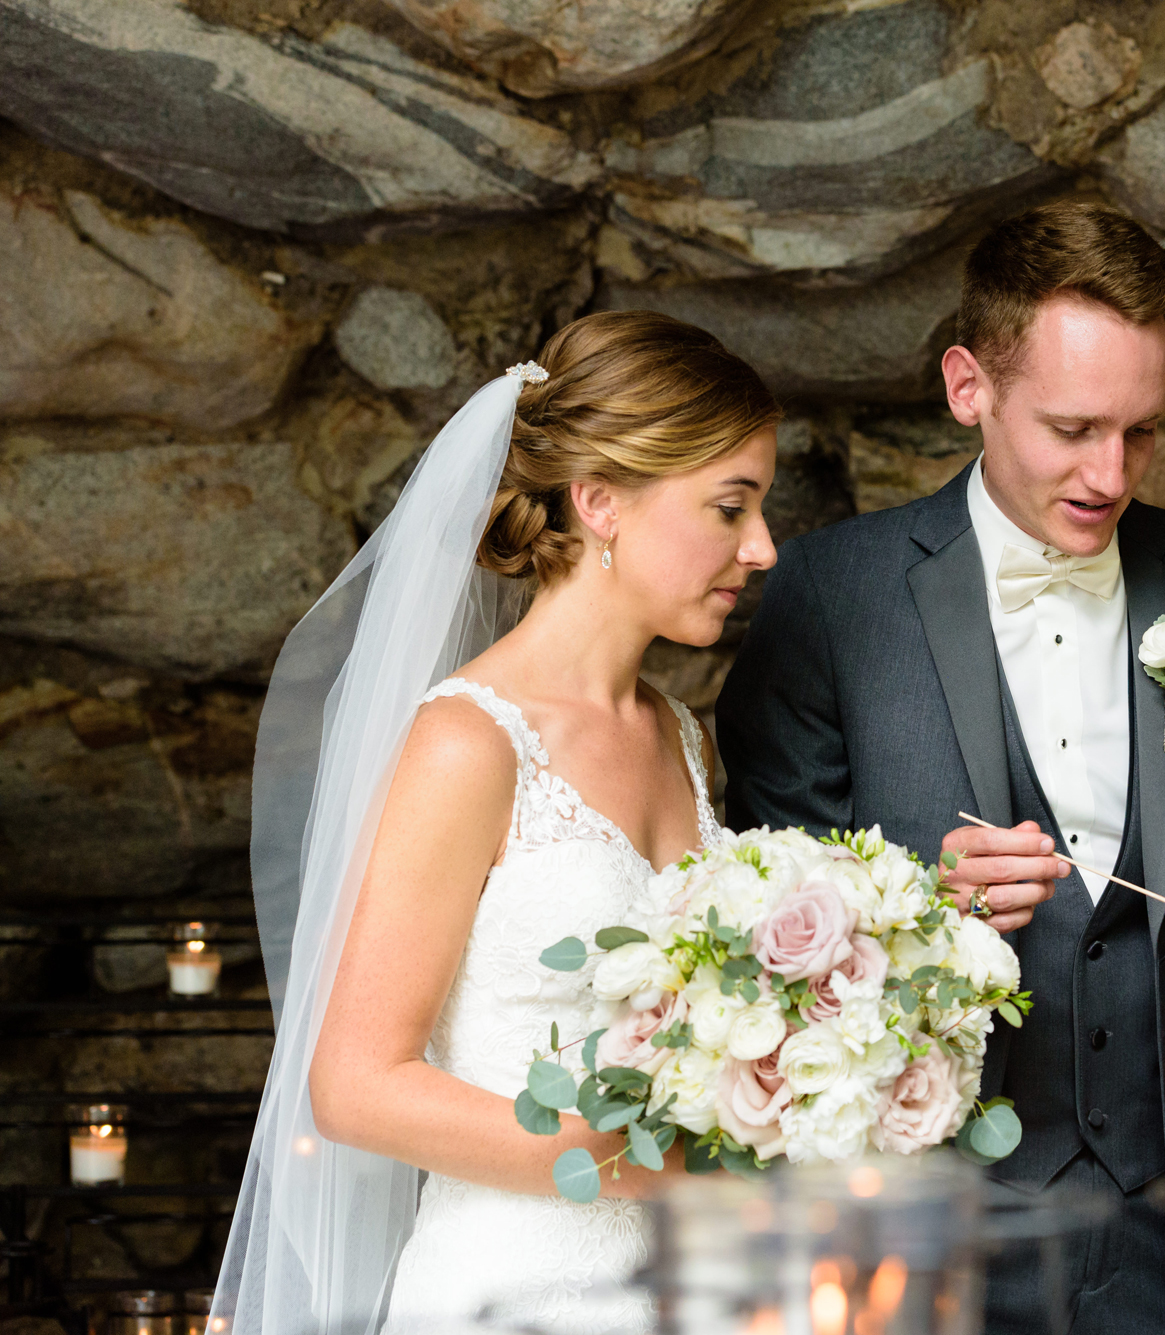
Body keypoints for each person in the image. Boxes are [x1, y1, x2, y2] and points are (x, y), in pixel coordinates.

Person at [716, 201, 1165, 1334]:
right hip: (909, 1214)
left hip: (1160, 1200)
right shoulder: (827, 596)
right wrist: (911, 899)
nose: (1111, 473)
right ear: (969, 389)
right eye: (1072, 428)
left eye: (1141, 431)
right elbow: (751, 911)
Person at [214, 311, 782, 1334]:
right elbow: (354, 1085)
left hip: (686, 1294)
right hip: (512, 1293)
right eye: (730, 508)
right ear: (602, 501)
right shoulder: (467, 744)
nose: (763, 548)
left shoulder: (679, 736)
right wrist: (629, 1161)